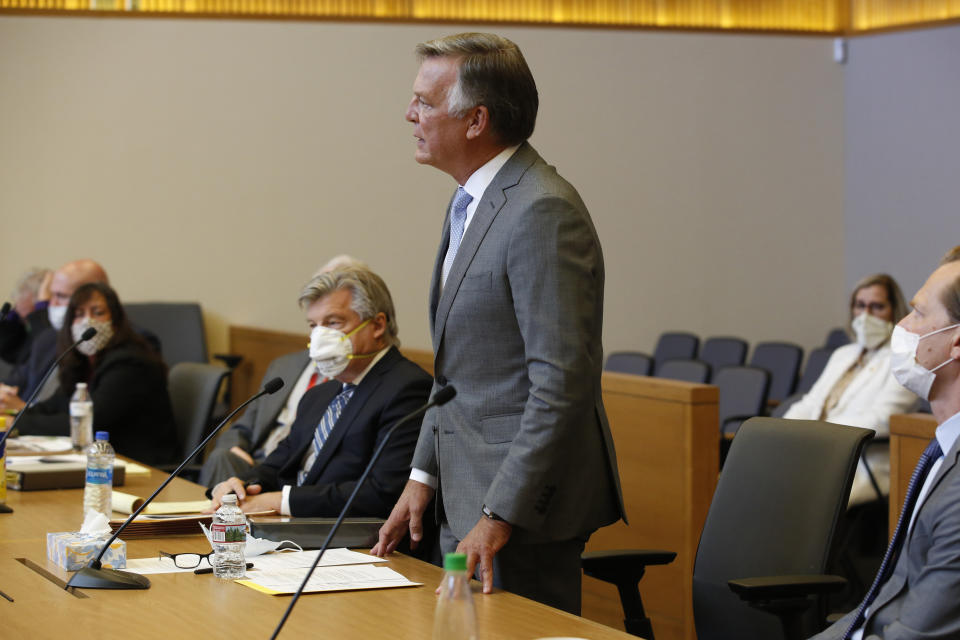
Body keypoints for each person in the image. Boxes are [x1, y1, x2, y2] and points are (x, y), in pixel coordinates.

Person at [372, 33, 625, 615]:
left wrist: (498, 513)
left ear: (476, 120)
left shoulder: (541, 210)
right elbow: (459, 372)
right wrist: (422, 475)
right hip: (461, 494)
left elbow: (562, 384)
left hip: (520, 511)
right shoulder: (471, 200)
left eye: (426, 103)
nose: (410, 114)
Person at [810, 247, 960, 639]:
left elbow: (915, 631)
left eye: (919, 313)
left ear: (956, 344)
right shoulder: (944, 450)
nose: (902, 326)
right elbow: (883, 602)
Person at [207, 267, 432, 518]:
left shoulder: (408, 388)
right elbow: (278, 464)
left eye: (333, 322)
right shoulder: (320, 394)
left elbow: (383, 493)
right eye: (314, 325)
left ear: (378, 325)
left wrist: (281, 501)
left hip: (352, 541)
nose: (319, 336)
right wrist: (240, 484)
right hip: (292, 529)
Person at [199, 255, 368, 488]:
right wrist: (233, 447)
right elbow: (243, 425)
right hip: (254, 465)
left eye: (333, 321)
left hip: (295, 477)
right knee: (222, 459)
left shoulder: (358, 379)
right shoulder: (284, 366)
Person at [784, 274, 918, 506]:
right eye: (860, 305)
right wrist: (782, 433)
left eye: (877, 306)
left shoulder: (906, 357)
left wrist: (819, 436)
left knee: (791, 496)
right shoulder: (843, 354)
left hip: (861, 462)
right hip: (816, 450)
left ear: (894, 310)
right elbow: (811, 402)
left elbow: (883, 419)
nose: (866, 315)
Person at [12, 282, 178, 467]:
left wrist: (17, 424)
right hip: (100, 462)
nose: (87, 321)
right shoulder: (82, 362)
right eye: (79, 314)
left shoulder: (131, 363)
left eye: (98, 313)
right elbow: (55, 405)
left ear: (115, 320)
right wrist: (14, 417)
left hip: (141, 468)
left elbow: (89, 424)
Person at [1, 259, 109, 406]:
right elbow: (15, 381)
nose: (52, 304)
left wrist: (22, 412)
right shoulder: (48, 338)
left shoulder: (101, 346)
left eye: (61, 296)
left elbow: (71, 412)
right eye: (51, 296)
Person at [0, 267, 51, 366]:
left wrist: (40, 312)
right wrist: (10, 322)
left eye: (22, 295)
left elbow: (41, 352)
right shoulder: (22, 324)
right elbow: (8, 353)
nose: (17, 304)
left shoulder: (47, 326)